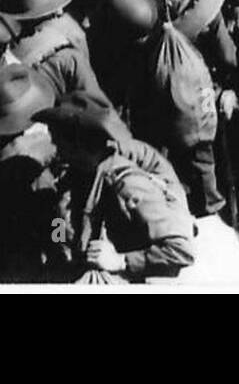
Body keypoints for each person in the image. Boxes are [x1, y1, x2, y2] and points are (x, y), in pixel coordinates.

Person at [36, 92, 197, 282]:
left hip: (123, 273)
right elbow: (59, 221)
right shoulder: (75, 172)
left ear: (77, 144)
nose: (54, 145)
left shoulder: (126, 183)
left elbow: (181, 251)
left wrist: (121, 261)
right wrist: (59, 250)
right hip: (81, 260)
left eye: (58, 139)